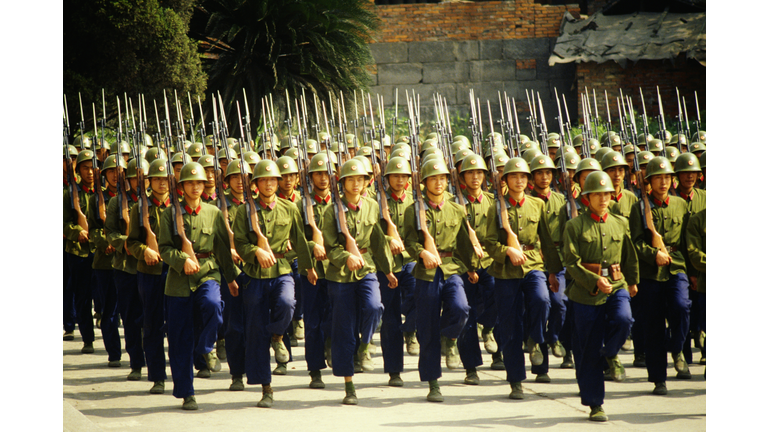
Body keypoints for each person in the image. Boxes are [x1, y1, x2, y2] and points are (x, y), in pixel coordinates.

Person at [232, 159, 317, 408]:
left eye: (273, 180)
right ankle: (266, 388)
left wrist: (309, 267)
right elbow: (239, 243)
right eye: (264, 180)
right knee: (256, 331)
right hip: (255, 274)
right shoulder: (244, 211)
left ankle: (278, 335)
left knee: (287, 302)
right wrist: (254, 252)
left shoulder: (289, 208)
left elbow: (299, 240)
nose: (269, 184)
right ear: (256, 184)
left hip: (281, 269)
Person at [158, 161, 239, 411]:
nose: (195, 187)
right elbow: (164, 248)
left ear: (205, 185)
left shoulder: (213, 212)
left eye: (199, 183)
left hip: (208, 272)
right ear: (182, 187)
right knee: (180, 339)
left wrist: (231, 277)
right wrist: (182, 260)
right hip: (179, 282)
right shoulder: (169, 214)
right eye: (190, 183)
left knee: (214, 305)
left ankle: (206, 346)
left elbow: (223, 249)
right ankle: (187, 393)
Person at [562, 171, 638, 422]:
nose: (603, 198)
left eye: (606, 194)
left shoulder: (619, 222)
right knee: (587, 349)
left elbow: (628, 255)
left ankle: (611, 353)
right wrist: (594, 280)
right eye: (597, 194)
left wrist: (633, 281)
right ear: (587, 198)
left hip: (617, 284)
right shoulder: (574, 226)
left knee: (624, 320)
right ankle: (595, 404)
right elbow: (571, 264)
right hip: (585, 293)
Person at [483, 157, 562, 400]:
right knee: (510, 327)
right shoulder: (495, 208)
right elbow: (489, 243)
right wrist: (507, 251)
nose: (519, 180)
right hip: (506, 273)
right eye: (514, 176)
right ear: (505, 180)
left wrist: (553, 271)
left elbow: (547, 241)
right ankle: (516, 380)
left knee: (541, 301)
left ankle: (536, 339)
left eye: (523, 177)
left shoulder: (537, 204)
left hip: (533, 266)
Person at [321, 158, 397, 405]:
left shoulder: (372, 206)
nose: (356, 184)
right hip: (340, 276)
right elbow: (330, 247)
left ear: (367, 182)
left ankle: (365, 345)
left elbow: (377, 240)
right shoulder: (330, 211)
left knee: (375, 306)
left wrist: (387, 271)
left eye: (360, 180)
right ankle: (349, 385)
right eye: (350, 180)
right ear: (342, 183)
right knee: (343, 330)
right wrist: (345, 257)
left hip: (367, 268)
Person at [402, 159, 475, 403]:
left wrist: (472, 268)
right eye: (433, 178)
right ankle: (433, 383)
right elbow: (409, 242)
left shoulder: (456, 209)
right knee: (428, 327)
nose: (438, 182)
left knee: (461, 308)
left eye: (442, 178)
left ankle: (451, 338)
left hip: (452, 268)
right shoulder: (415, 210)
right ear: (424, 183)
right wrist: (422, 253)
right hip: (426, 274)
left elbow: (464, 242)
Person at [629, 157, 692, 396]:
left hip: (677, 266)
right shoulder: (639, 208)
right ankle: (658, 379)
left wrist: (693, 273)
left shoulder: (679, 204)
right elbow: (635, 242)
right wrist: (652, 254)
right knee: (653, 326)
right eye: (659, 178)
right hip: (651, 273)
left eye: (667, 177)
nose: (664, 182)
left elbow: (687, 240)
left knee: (682, 306)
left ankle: (676, 348)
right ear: (650, 182)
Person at [126, 158, 172, 394]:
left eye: (165, 179)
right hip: (150, 273)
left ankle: (183, 367)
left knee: (176, 322)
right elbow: (131, 242)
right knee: (152, 323)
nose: (162, 184)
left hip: (174, 271)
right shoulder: (139, 208)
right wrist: (145, 251)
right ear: (149, 182)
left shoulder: (178, 206)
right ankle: (157, 376)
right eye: (156, 179)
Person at [454, 153, 497, 386]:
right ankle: (471, 367)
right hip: (463, 264)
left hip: (490, 263)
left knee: (497, 300)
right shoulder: (454, 203)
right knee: (466, 316)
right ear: (462, 176)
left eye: (479, 172)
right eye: (470, 172)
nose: (475, 176)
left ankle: (489, 329)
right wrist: (468, 266)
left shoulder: (492, 200)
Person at [105, 157, 149, 381]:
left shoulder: (157, 202)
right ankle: (136, 363)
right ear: (128, 180)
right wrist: (125, 244)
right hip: (127, 267)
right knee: (131, 317)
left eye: (144, 178)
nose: (139, 183)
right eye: (134, 178)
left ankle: (154, 361)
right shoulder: (116, 202)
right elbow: (110, 232)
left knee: (152, 318)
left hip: (151, 266)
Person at [377, 156, 417, 387]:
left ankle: (410, 330)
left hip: (411, 261)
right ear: (387, 178)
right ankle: (394, 371)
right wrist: (388, 238)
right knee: (390, 318)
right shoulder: (376, 202)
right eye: (395, 176)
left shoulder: (416, 201)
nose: (400, 180)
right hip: (387, 264)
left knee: (419, 299)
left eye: (404, 176)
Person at [63, 149, 96, 351]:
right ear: (78, 170)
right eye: (85, 168)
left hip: (102, 252)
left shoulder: (103, 193)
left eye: (93, 168)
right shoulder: (71, 193)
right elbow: (64, 222)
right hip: (79, 252)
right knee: (82, 297)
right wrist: (77, 232)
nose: (90, 172)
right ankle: (88, 338)